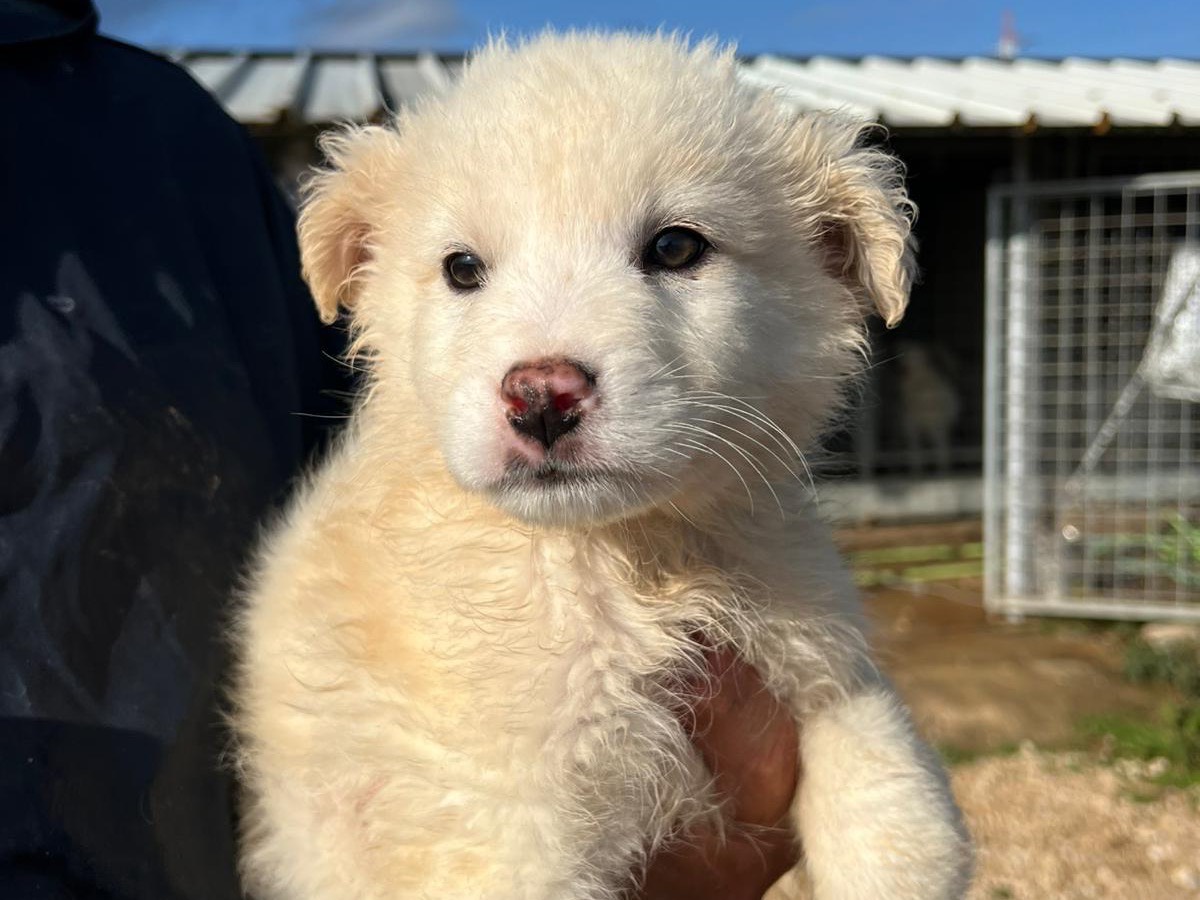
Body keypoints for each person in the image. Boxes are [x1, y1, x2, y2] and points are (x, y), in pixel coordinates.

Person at [0, 2, 799, 896]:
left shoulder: (167, 141)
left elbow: (360, 462)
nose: (540, 369)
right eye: (466, 271)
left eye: (673, 250)